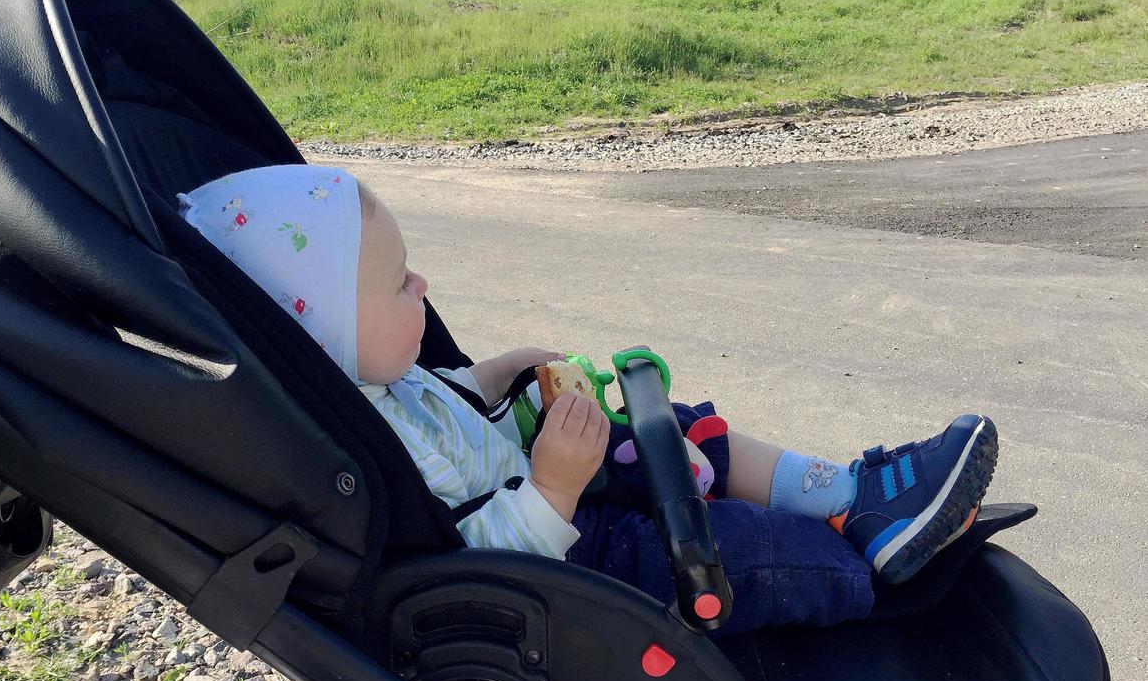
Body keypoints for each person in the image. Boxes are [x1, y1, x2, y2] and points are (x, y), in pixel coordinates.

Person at [180, 165, 997, 636]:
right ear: (320, 335)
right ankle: (869, 575)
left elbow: (449, 403)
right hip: (560, 561)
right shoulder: (363, 445)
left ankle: (859, 501)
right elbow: (466, 561)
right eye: (399, 284)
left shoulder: (378, 379)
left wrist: (496, 373)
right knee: (730, 548)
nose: (421, 286)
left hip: (556, 489)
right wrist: (555, 486)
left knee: (677, 435)